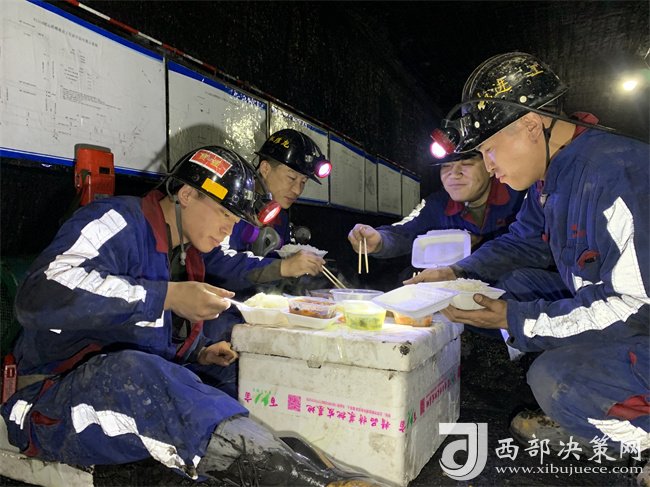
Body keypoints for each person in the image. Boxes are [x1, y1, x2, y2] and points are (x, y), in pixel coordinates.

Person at [0, 146, 382, 486]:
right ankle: (308, 481)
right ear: (186, 194)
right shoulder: (116, 220)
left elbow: (140, 335)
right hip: (46, 403)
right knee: (134, 372)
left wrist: (198, 352)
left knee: (241, 371)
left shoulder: (187, 255)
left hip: (117, 389)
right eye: (224, 214)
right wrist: (166, 295)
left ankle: (305, 466)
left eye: (235, 221)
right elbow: (37, 295)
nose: (228, 228)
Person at [407, 52, 649, 459]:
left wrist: (516, 319)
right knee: (516, 284)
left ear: (531, 125)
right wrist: (454, 271)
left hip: (641, 317)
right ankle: (599, 402)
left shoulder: (616, 175)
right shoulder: (551, 177)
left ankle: (632, 432)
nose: (488, 166)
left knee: (555, 379)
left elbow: (636, 307)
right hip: (628, 313)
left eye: (489, 150)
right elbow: (522, 241)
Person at [201, 129, 332, 342]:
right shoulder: (233, 200)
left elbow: (270, 263)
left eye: (303, 182)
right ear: (265, 168)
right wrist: (283, 267)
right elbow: (214, 262)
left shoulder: (279, 212)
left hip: (255, 310)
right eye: (291, 178)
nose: (297, 190)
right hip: (218, 313)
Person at [347, 151, 525, 273]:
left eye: (467, 163)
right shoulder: (437, 204)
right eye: (446, 165)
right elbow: (405, 231)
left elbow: (528, 247)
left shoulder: (519, 194)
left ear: (490, 167)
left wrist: (479, 245)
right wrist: (379, 240)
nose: (454, 173)